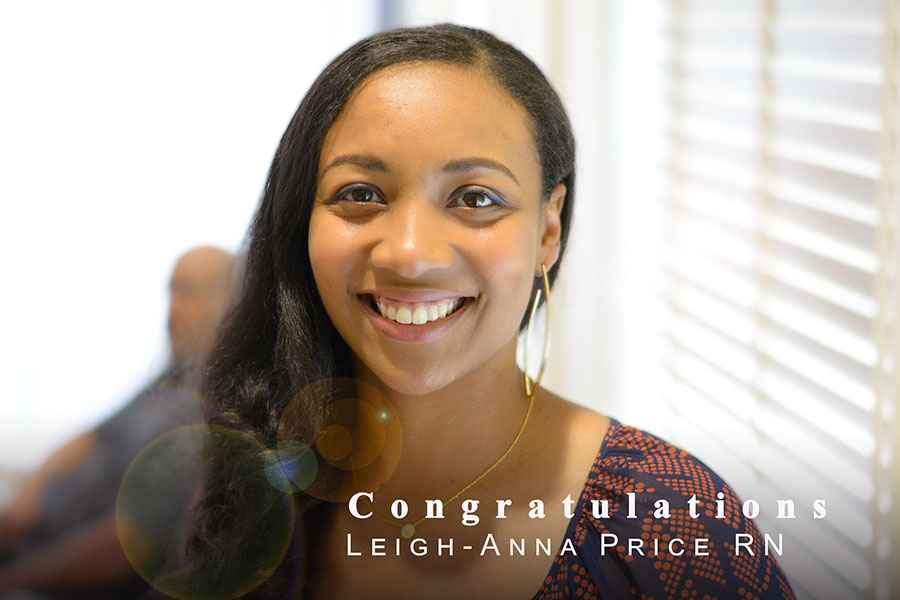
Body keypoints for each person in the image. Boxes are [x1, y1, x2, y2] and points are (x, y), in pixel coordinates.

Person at [166, 25, 796, 600]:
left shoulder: (673, 528)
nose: (410, 254)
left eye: (475, 198)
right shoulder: (256, 479)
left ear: (547, 230)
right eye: (360, 193)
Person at [0, 246, 235, 599]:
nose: (171, 311)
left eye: (188, 293)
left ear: (231, 304)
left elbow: (129, 543)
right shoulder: (168, 382)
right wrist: (32, 489)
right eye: (171, 292)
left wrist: (15, 578)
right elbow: (92, 437)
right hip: (29, 533)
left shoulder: (210, 412)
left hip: (57, 577)